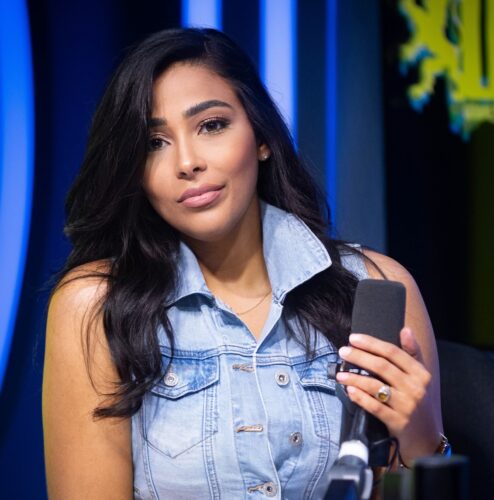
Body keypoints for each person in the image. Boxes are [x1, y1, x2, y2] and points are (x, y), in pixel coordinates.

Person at [43, 28, 445, 499]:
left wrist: (421, 444)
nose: (187, 162)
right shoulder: (96, 307)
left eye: (211, 125)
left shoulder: (374, 289)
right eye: (154, 142)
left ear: (261, 137)